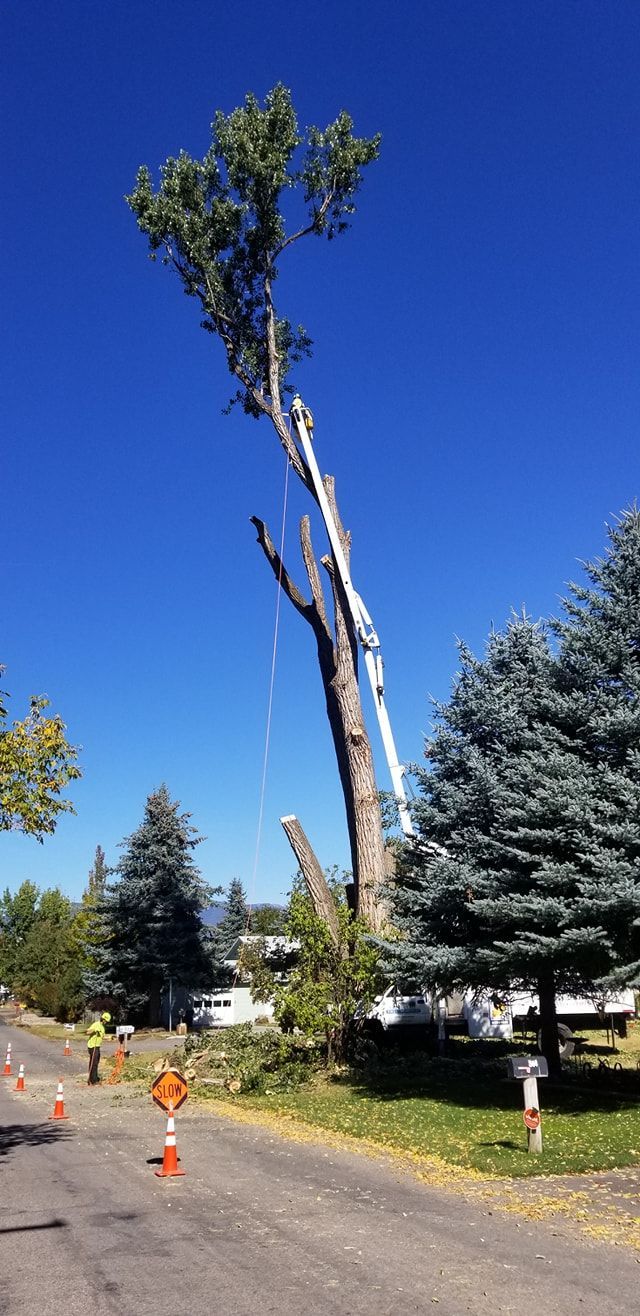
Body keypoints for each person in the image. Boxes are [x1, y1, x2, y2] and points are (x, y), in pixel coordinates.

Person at [87, 1011, 111, 1085]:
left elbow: (102, 1037)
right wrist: (94, 1030)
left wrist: (110, 1037)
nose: (106, 1023)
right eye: (106, 1021)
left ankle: (94, 1077)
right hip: (92, 1046)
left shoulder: (102, 1027)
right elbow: (87, 1032)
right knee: (93, 1063)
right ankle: (93, 1080)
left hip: (97, 1046)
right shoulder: (96, 1024)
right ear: (103, 1019)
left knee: (96, 1062)